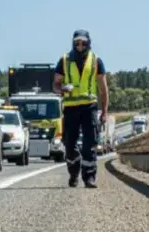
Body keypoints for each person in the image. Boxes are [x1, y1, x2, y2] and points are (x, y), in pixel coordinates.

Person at [53, 29, 109, 188]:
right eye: (77, 42)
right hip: (70, 108)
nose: (80, 45)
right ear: (73, 42)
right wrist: (62, 88)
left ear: (88, 43)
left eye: (83, 42)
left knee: (90, 142)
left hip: (89, 107)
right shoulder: (64, 60)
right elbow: (55, 85)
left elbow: (104, 90)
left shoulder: (96, 61)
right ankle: (73, 172)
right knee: (69, 144)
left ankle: (89, 177)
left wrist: (104, 112)